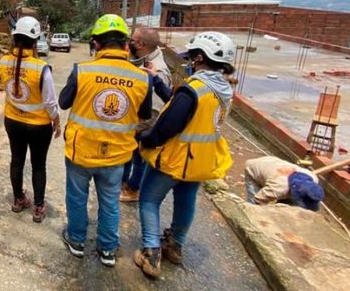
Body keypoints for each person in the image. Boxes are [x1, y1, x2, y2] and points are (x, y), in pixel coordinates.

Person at [134, 31, 237, 279]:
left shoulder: (194, 89)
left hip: (176, 158)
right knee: (186, 200)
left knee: (149, 199)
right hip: (200, 160)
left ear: (200, 58)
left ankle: (151, 252)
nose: (189, 61)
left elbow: (167, 126)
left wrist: (145, 138)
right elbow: (179, 104)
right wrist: (157, 81)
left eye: (191, 57)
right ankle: (175, 245)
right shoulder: (222, 91)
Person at [59, 14, 152, 267]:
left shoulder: (82, 70)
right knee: (110, 202)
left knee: (77, 199)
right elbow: (144, 116)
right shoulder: (143, 78)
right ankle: (108, 250)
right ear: (125, 46)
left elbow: (63, 102)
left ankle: (77, 241)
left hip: (81, 152)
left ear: (96, 44)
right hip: (117, 156)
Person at [0, 16, 61, 224]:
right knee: (38, 165)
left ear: (14, 39)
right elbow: (50, 102)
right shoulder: (41, 68)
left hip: (12, 121)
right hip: (38, 126)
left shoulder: (3, 61)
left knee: (16, 160)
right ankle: (38, 207)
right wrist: (56, 121)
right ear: (35, 42)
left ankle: (18, 200)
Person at [120, 26, 173, 202]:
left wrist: (132, 127)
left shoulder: (158, 71)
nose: (129, 43)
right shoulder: (141, 60)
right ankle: (124, 183)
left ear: (141, 44)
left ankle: (133, 189)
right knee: (131, 157)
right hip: (135, 122)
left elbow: (155, 111)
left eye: (132, 40)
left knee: (139, 159)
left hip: (143, 126)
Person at [244, 155, 324, 211]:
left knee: (289, 204)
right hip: (255, 168)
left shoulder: (313, 177)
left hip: (274, 163)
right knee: (253, 206)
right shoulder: (278, 188)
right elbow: (257, 200)